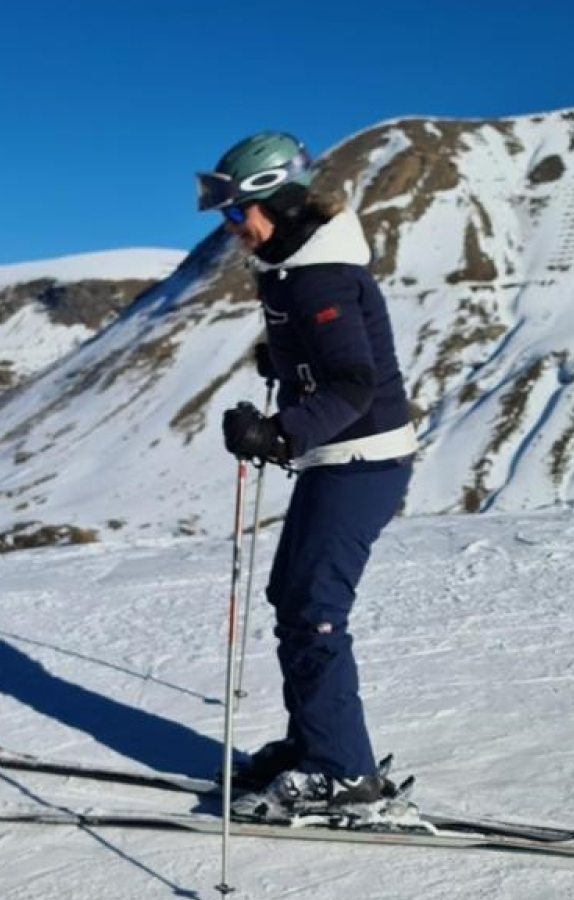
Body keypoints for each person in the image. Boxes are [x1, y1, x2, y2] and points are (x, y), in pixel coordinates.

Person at [198, 134, 417, 820]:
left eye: (240, 215)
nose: (232, 230)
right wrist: (287, 362)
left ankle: (343, 773)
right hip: (340, 458)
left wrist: (281, 432)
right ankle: (315, 744)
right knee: (292, 595)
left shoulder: (321, 276)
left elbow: (355, 384)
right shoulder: (296, 269)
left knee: (315, 609)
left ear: (282, 204)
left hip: (362, 458)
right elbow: (329, 358)